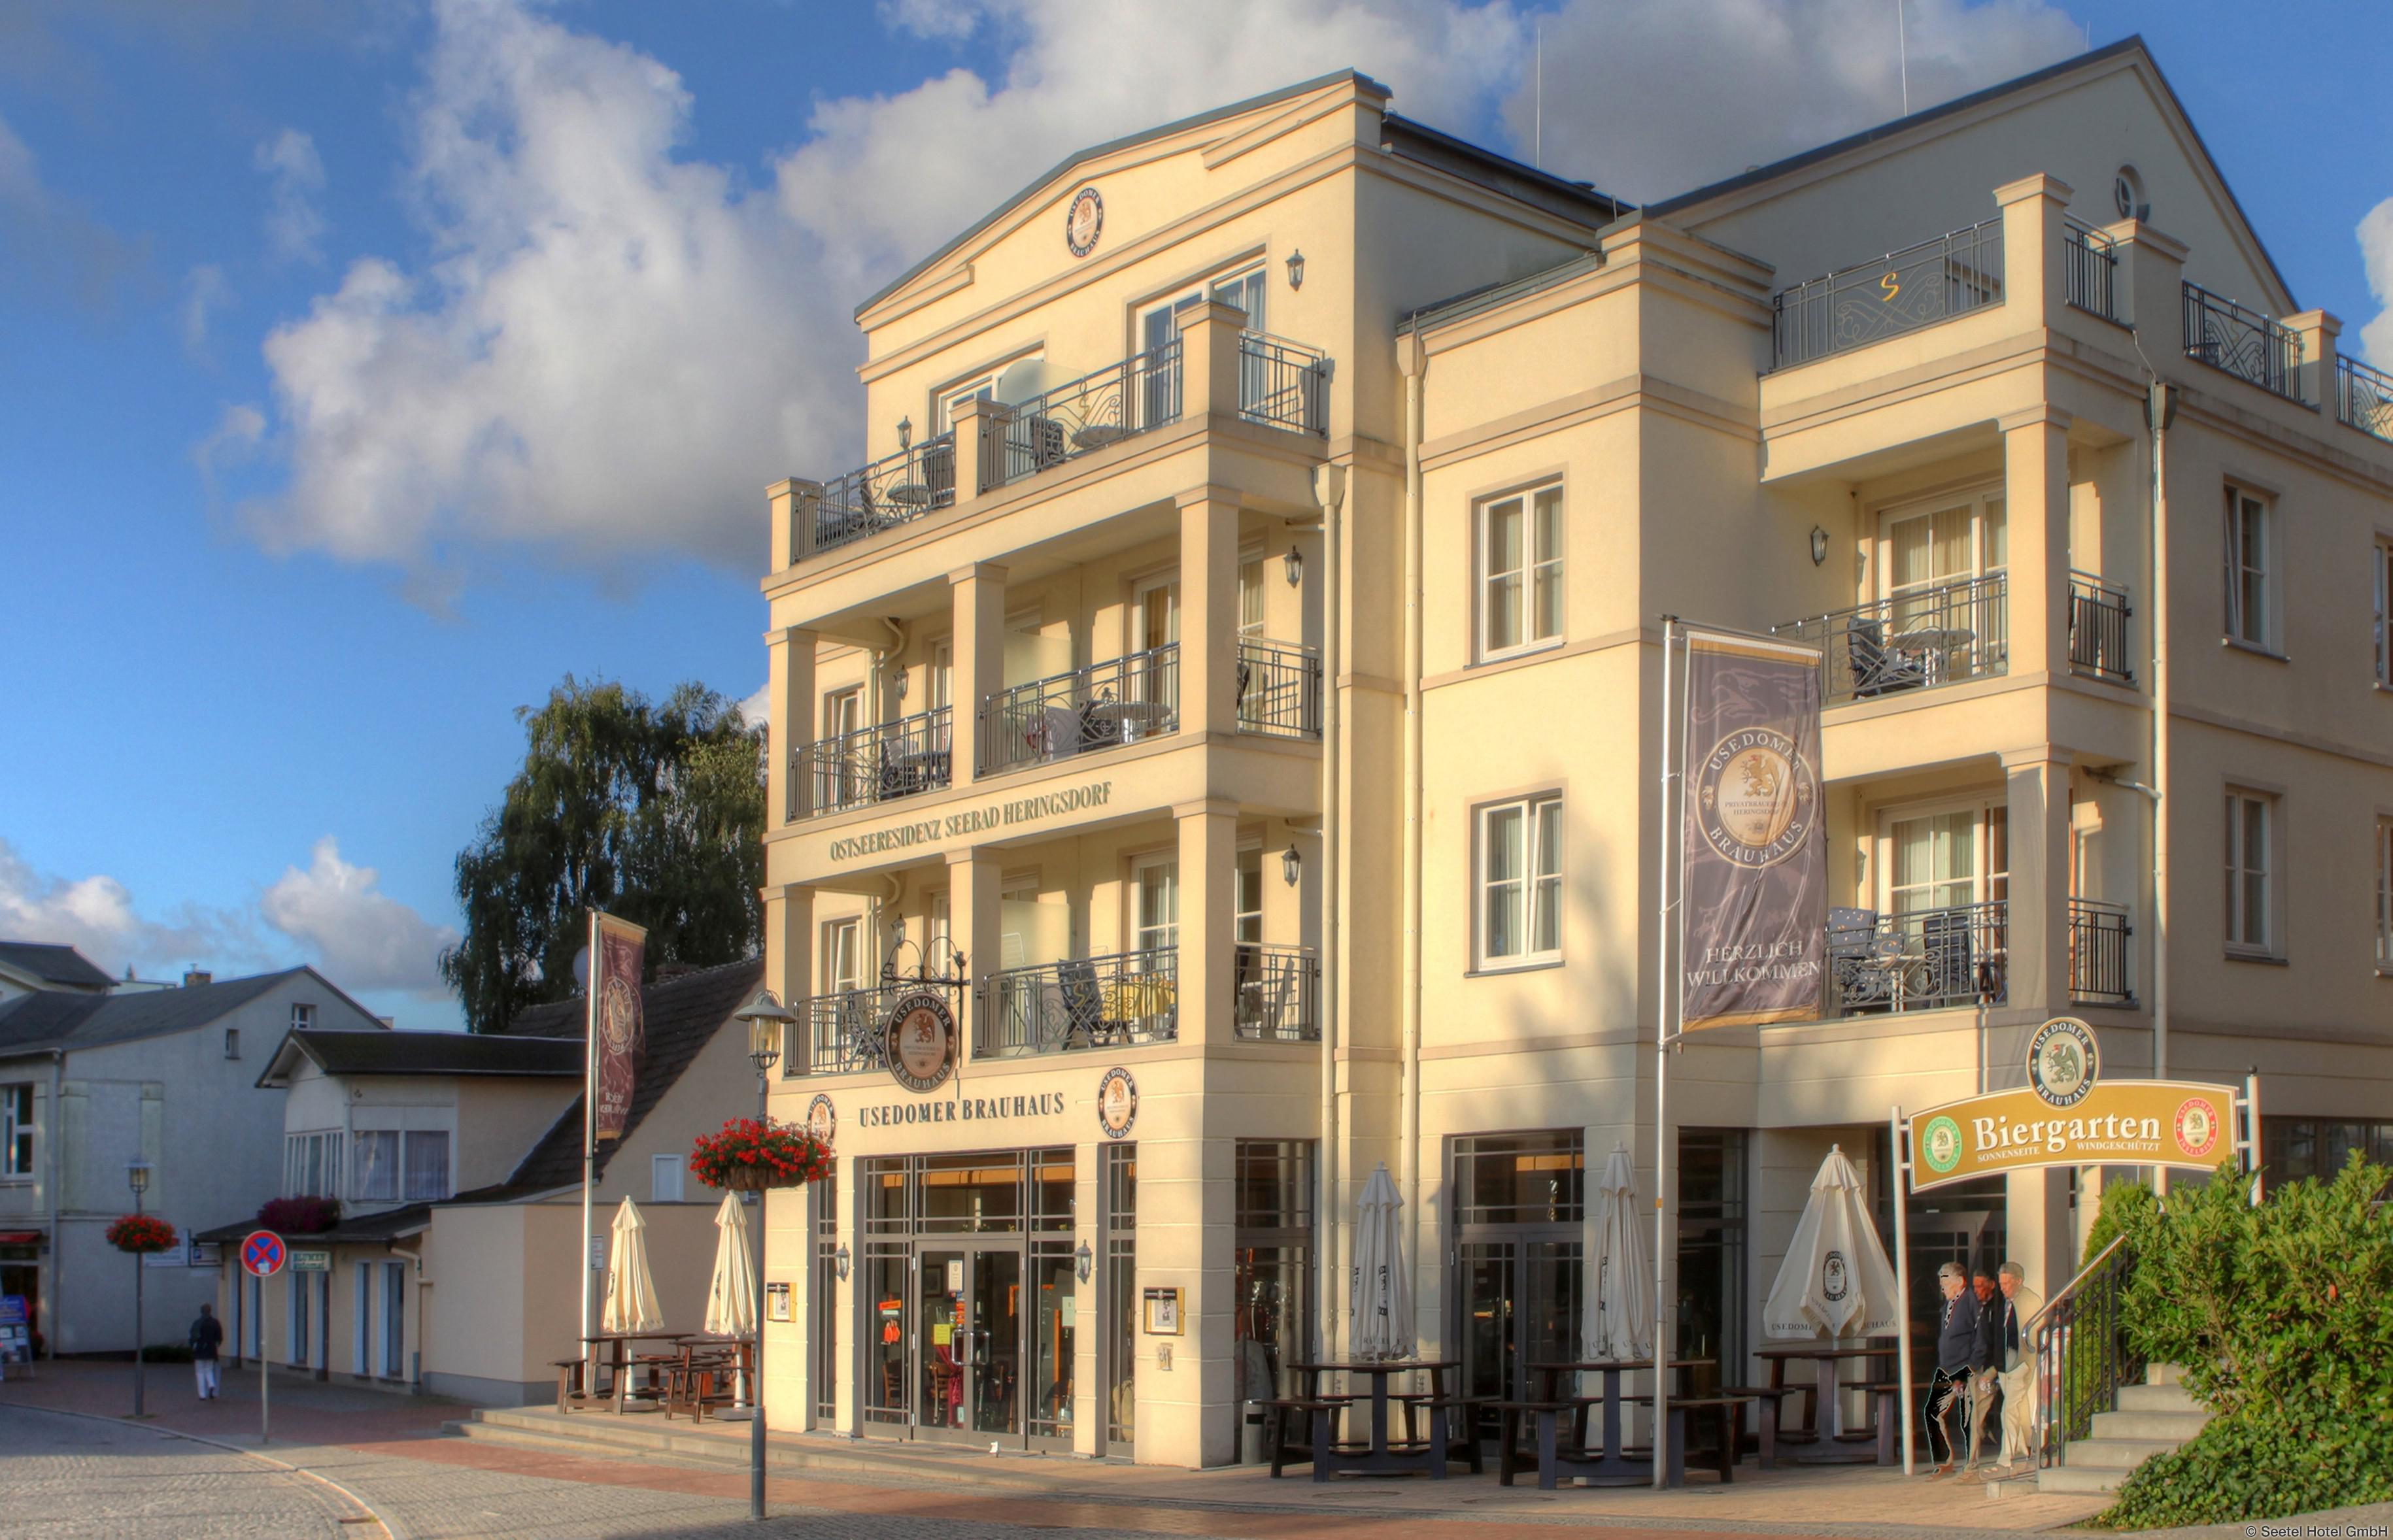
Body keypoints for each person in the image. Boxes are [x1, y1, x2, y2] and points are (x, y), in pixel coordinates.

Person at [1924, 1262, 1982, 1477]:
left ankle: (1971, 1465)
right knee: (1932, 1412)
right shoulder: (1948, 1304)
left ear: (1959, 1281)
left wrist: (1972, 1365)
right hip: (1946, 1367)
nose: (1942, 1285)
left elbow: (1980, 1335)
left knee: (1968, 1418)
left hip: (1964, 1366)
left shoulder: (1971, 1300)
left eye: (1945, 1279)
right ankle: (1944, 1461)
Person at [1990, 1261, 2044, 1472]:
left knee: (2009, 1410)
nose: (2003, 1287)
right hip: (2005, 1364)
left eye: (2007, 1283)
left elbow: (2033, 1333)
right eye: (2001, 1283)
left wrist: (2025, 1363)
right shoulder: (2004, 1303)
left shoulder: (2029, 1300)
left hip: (2021, 1364)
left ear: (2019, 1281)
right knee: (2019, 1410)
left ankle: (2006, 1458)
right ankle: (2026, 1447)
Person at [189, 1303, 224, 1400]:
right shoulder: (215, 1323)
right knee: (209, 1369)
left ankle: (202, 1395)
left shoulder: (197, 1323)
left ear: (202, 1311)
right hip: (211, 1350)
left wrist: (193, 1346)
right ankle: (211, 1384)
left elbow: (193, 1337)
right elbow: (219, 1337)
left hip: (200, 1350)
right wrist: (216, 1345)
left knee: (200, 1372)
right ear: (210, 1311)